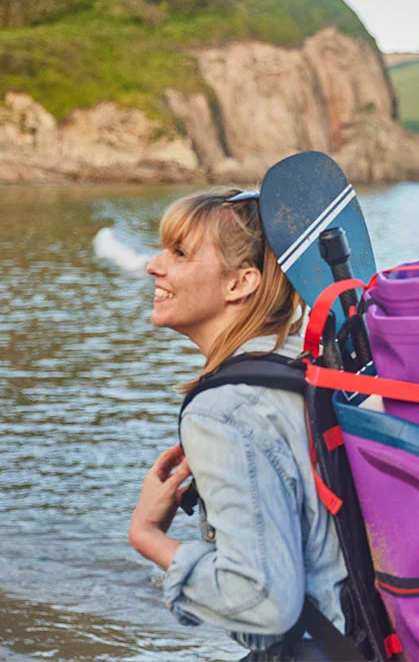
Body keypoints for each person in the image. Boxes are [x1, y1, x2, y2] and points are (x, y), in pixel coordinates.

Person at [127, 189, 348, 660]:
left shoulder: (222, 411)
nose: (153, 265)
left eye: (179, 253)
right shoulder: (309, 368)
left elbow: (262, 602)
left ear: (240, 283)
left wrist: (148, 537)